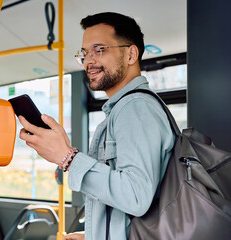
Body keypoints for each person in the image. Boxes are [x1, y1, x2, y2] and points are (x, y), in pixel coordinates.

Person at [18, 12, 175, 240]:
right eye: (84, 53)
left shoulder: (136, 107)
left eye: (99, 50)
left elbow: (136, 197)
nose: (88, 61)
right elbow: (129, 205)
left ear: (131, 54)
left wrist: (67, 157)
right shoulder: (122, 109)